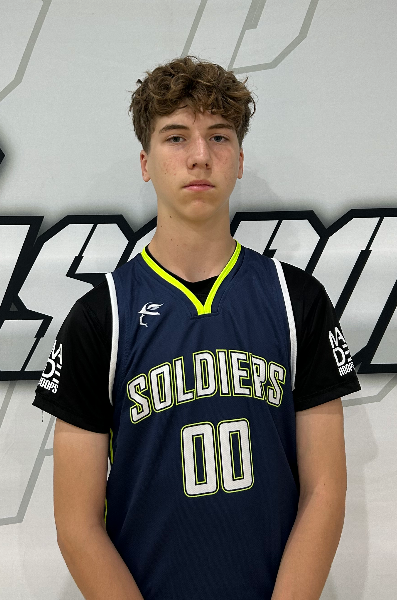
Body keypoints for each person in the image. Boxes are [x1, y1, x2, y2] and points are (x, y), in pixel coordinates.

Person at [33, 56, 361, 600]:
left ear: (239, 160)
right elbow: (76, 522)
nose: (200, 155)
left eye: (219, 136)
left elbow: (325, 490)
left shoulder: (297, 301)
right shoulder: (100, 317)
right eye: (176, 137)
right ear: (146, 163)